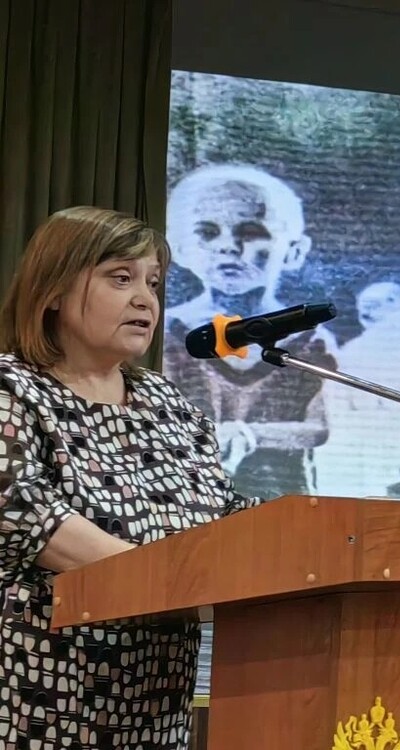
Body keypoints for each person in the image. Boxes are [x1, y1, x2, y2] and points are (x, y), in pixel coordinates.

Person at [0, 207, 260, 748]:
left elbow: (222, 510)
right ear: (53, 290)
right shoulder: (14, 389)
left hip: (156, 705)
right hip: (39, 700)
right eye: (121, 278)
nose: (146, 300)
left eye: (153, 283)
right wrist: (178, 580)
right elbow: (27, 517)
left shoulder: (164, 400)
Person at [161, 164, 338, 499]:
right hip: (189, 498)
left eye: (251, 231)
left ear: (294, 251)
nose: (228, 246)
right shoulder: (170, 331)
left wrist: (246, 434)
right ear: (180, 249)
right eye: (208, 232)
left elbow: (319, 427)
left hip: (281, 498)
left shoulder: (310, 338)